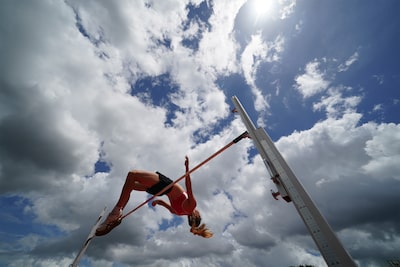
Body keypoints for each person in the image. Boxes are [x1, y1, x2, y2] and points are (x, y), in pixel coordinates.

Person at [95, 156, 213, 238]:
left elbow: (189, 186)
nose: (198, 211)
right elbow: (164, 204)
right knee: (131, 184)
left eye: (198, 213)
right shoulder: (179, 212)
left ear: (195, 215)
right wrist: (157, 203)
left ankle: (115, 213)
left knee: (133, 174)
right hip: (161, 191)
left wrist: (187, 168)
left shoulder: (191, 207)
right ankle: (115, 215)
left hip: (165, 185)